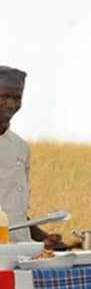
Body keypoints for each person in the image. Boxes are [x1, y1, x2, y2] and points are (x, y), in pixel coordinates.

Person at [0, 66, 62, 247]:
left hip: (21, 252)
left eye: (16, 98)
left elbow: (16, 214)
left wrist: (43, 239)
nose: (11, 104)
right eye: (4, 97)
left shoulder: (21, 148)